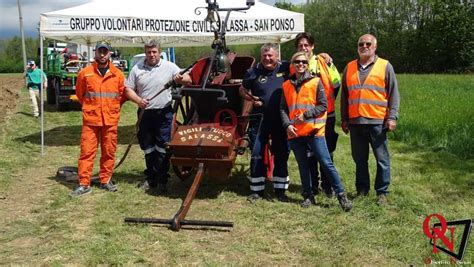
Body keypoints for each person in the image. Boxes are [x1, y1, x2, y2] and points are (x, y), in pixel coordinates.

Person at [280, 51, 352, 211]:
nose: (300, 65)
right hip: (295, 133)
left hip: (314, 131)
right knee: (303, 166)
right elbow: (283, 108)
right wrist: (287, 125)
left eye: (304, 62)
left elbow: (323, 105)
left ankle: (341, 196)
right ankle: (308, 195)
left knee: (326, 163)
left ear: (307, 65)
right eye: (297, 62)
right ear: (292, 65)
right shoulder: (286, 85)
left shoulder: (315, 82)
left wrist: (306, 115)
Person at [125, 39, 191, 194]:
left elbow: (188, 79)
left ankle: (162, 180)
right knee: (148, 147)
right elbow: (128, 89)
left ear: (159, 52)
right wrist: (138, 100)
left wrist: (182, 79)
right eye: (149, 52)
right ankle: (151, 179)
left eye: (154, 52)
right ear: (145, 53)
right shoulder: (137, 68)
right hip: (145, 114)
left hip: (163, 113)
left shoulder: (170, 67)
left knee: (163, 147)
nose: (151, 55)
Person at [340, 33, 400, 206]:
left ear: (374, 47)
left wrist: (392, 117)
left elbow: (394, 94)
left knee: (382, 159)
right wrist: (345, 119)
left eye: (368, 44)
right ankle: (362, 190)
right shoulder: (349, 67)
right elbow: (344, 96)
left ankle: (382, 193)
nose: (364, 46)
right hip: (355, 123)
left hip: (377, 122)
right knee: (359, 159)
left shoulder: (385, 66)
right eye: (361, 44)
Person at [69, 41, 126, 197]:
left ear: (109, 54)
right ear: (95, 53)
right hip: (91, 120)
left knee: (109, 151)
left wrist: (111, 108)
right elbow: (81, 95)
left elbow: (121, 95)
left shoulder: (118, 75)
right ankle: (84, 184)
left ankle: (105, 180)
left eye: (105, 52)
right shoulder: (85, 73)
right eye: (100, 51)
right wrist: (91, 107)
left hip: (110, 120)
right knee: (87, 152)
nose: (102, 54)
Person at [239, 43, 291, 203]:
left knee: (281, 153)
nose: (267, 59)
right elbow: (241, 89)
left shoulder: (287, 68)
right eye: (264, 56)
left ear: (277, 56)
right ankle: (257, 190)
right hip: (259, 119)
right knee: (257, 153)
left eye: (270, 55)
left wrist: (324, 56)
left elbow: (304, 61)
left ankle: (280, 190)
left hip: (280, 119)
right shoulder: (253, 71)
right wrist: (251, 98)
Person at [294, 32, 342, 198]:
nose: (304, 48)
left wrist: (327, 103)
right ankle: (313, 185)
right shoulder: (295, 63)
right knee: (309, 153)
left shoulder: (324, 61)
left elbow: (336, 83)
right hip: (305, 117)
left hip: (325, 116)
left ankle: (327, 186)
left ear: (312, 46)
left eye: (306, 45)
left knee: (326, 152)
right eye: (300, 46)